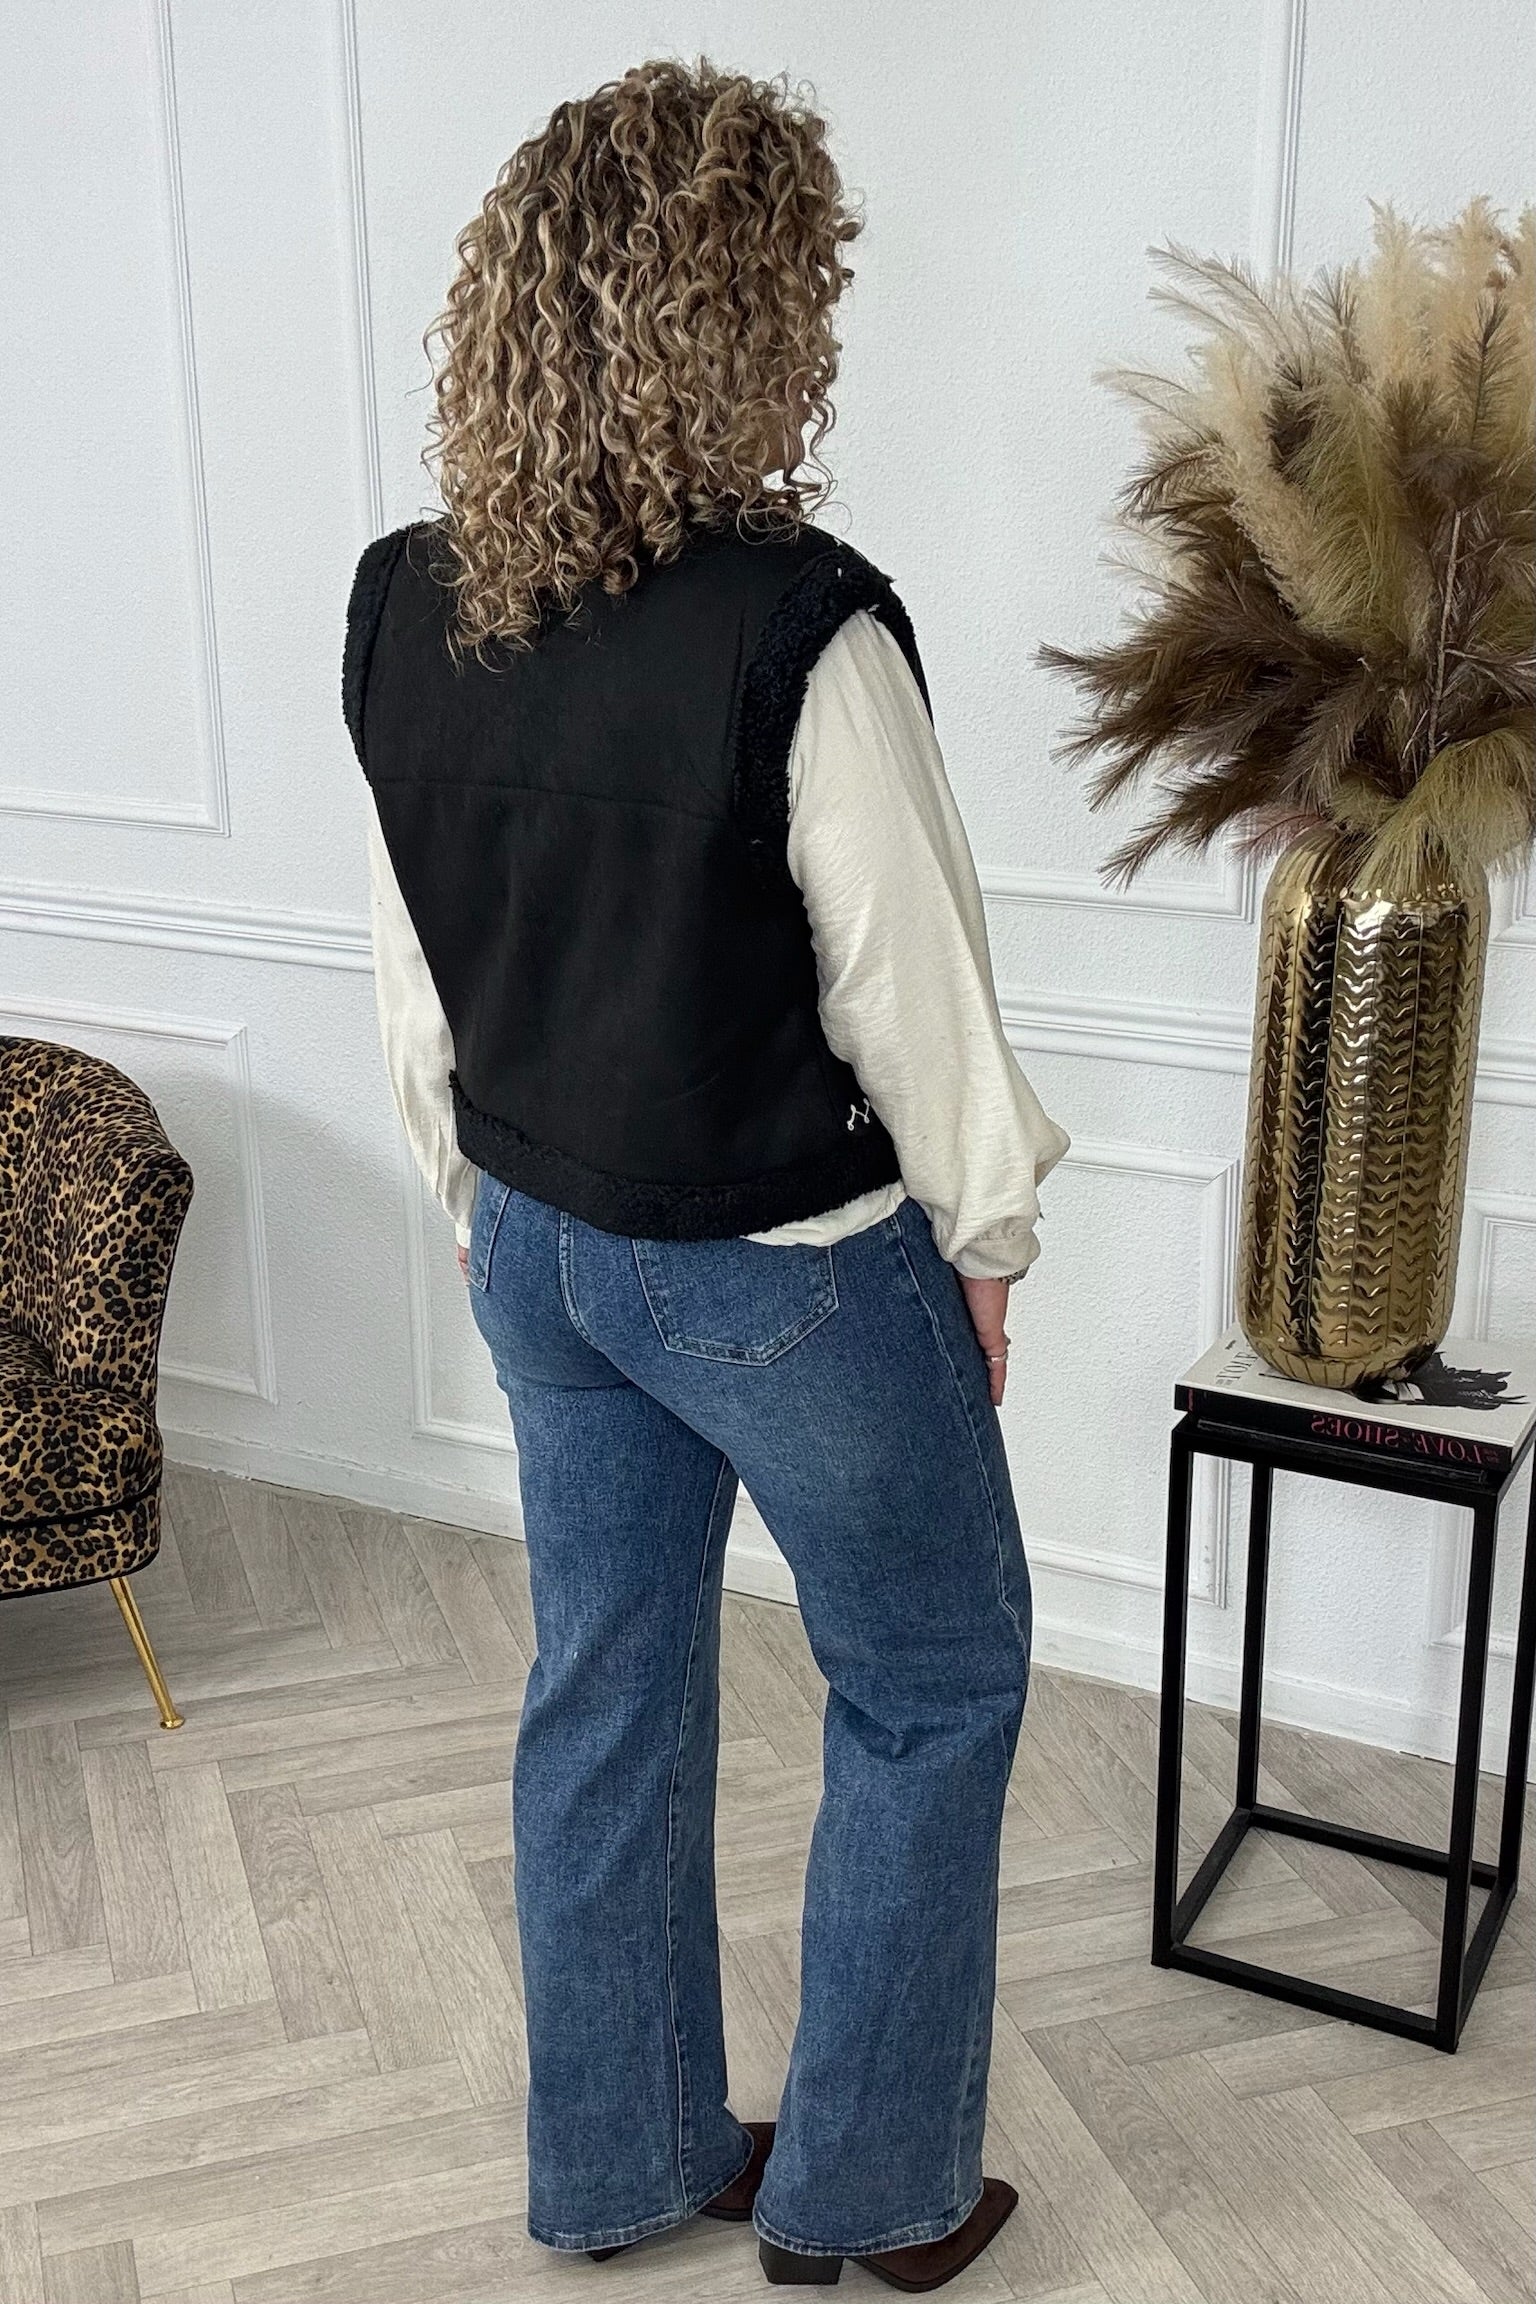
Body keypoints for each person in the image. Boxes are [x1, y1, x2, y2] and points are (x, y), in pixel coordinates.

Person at [344, 56, 1069, 2294]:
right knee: (933, 1678)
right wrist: (987, 1238)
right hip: (785, 1267)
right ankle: (873, 2198)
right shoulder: (798, 629)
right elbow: (912, 985)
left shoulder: (404, 599)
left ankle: (623, 2162)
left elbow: (417, 966)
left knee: (609, 1688)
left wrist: (483, 1206)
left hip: (539, 1243)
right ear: (753, 323)